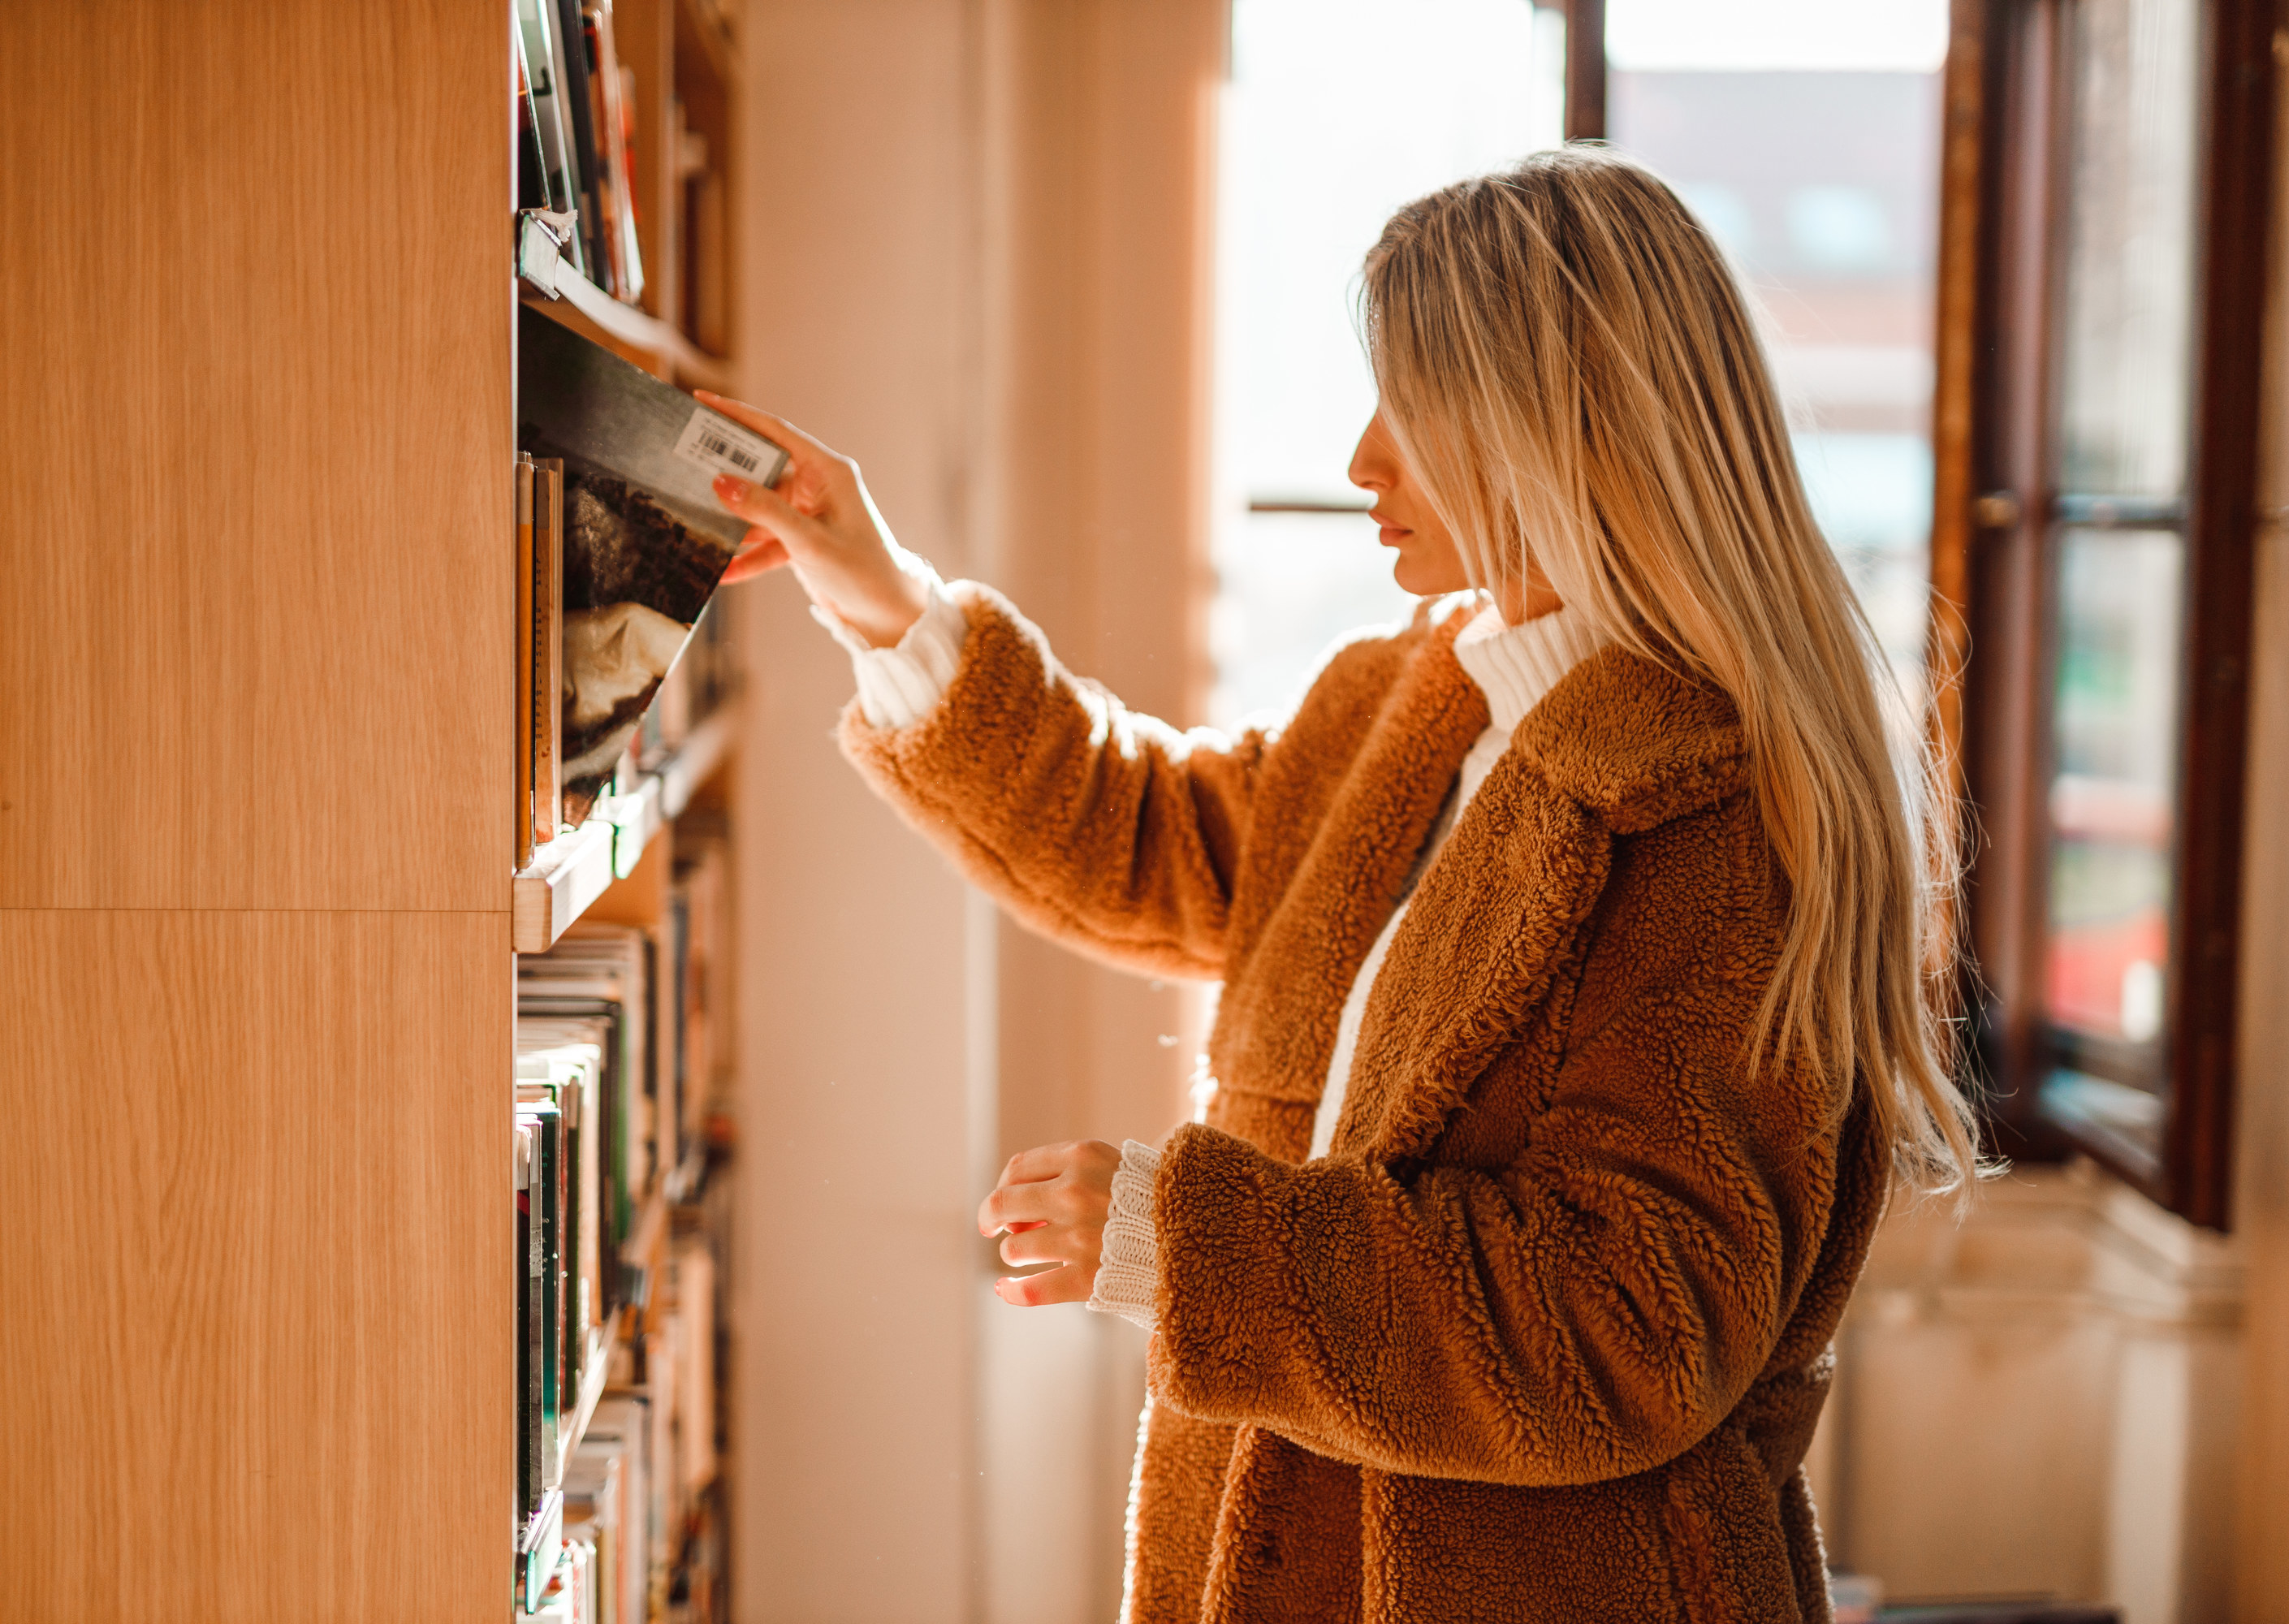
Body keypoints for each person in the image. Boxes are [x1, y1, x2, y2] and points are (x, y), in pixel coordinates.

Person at [706, 148, 1978, 1624]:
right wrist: (870, 582)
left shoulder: (1711, 807)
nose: (1365, 460)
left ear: (1556, 432)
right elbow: (1145, 837)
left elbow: (1629, 1324)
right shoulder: (1412, 702)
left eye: (1412, 412)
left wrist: (1188, 1243)